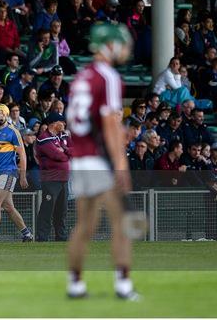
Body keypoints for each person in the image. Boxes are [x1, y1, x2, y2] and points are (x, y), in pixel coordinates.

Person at [65, 23, 139, 300]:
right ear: (110, 45)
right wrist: (121, 164)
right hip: (100, 159)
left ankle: (75, 283)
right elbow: (109, 124)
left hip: (80, 159)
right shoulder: (108, 77)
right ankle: (123, 285)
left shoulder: (81, 76)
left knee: (84, 225)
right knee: (122, 223)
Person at [0, 103, 33, 243]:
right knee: (8, 207)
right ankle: (27, 234)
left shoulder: (13, 131)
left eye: (0, 113)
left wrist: (22, 175)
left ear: (6, 114)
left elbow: (22, 154)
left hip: (9, 172)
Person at [35, 113, 70, 241]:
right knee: (47, 209)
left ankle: (61, 236)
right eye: (62, 122)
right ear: (54, 123)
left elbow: (73, 150)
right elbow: (58, 156)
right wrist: (66, 153)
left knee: (62, 210)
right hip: (51, 180)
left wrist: (64, 149)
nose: (65, 124)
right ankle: (42, 237)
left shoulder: (62, 137)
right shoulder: (43, 138)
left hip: (64, 179)